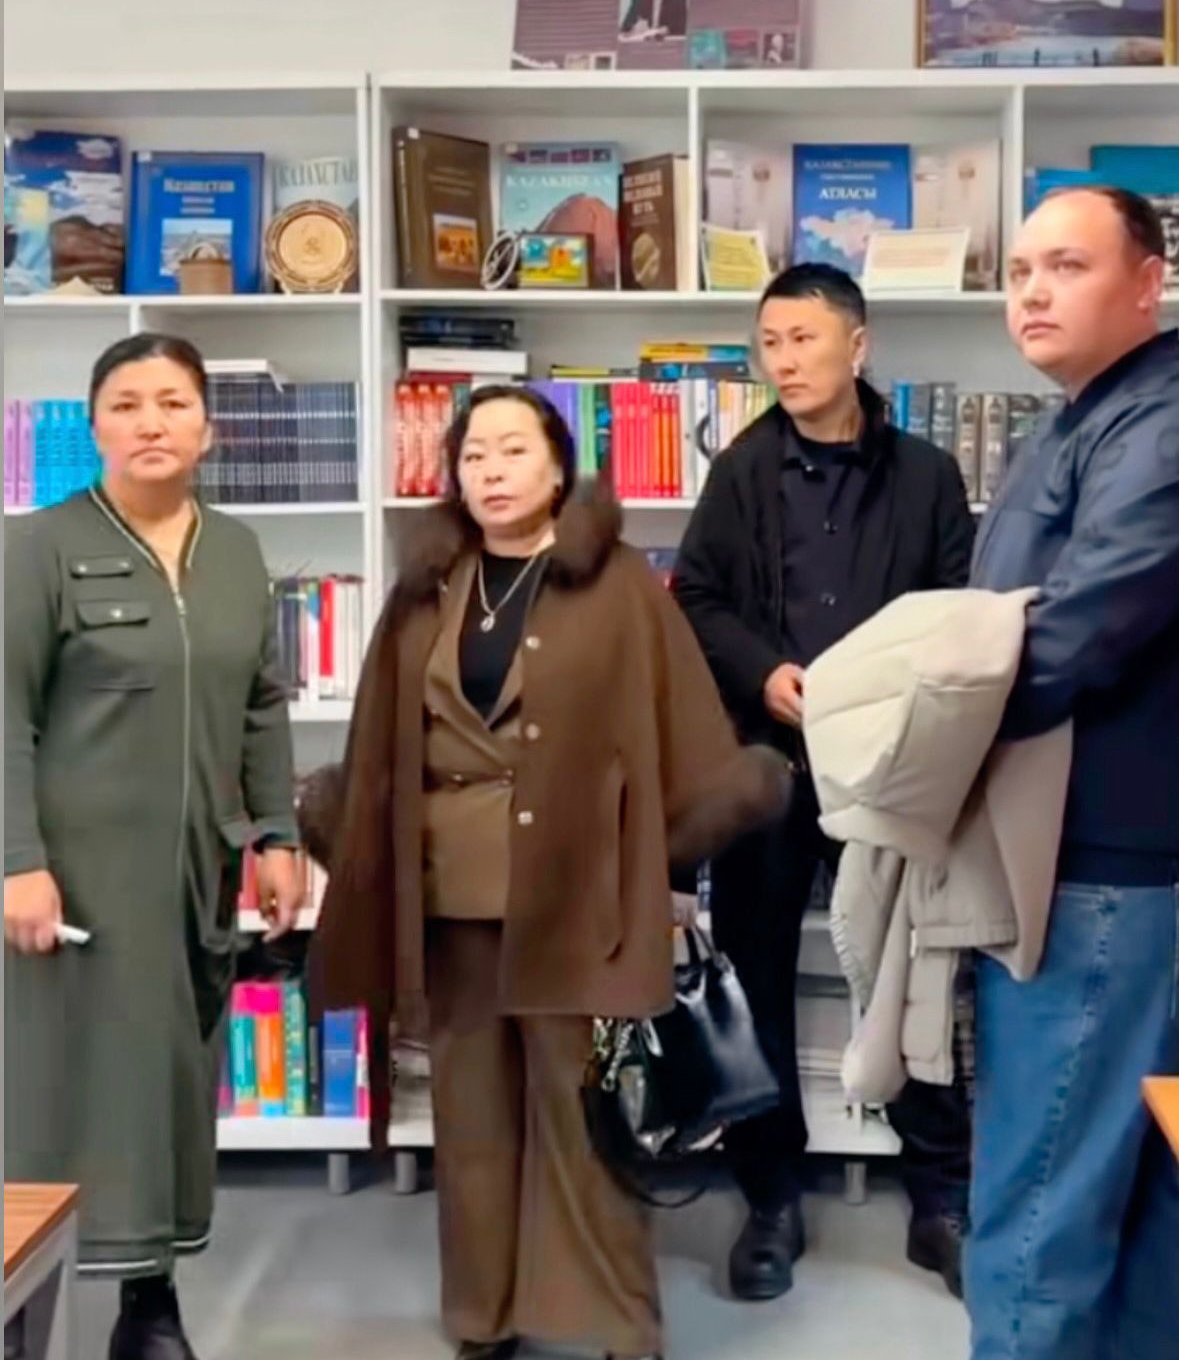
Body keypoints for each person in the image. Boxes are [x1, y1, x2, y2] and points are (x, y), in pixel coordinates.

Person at [300, 384, 789, 1360]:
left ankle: (618, 1325)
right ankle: (482, 1320)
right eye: (473, 455)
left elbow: (677, 729)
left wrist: (669, 863)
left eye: (513, 450)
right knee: (472, 1122)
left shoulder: (619, 587)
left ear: (558, 467)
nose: (491, 471)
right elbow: (379, 739)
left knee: (586, 1117)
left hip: (581, 895)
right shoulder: (425, 585)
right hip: (451, 899)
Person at [672, 262, 977, 1302]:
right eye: (769, 343)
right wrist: (764, 672)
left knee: (905, 968)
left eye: (803, 339)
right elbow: (696, 596)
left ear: (858, 344)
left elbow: (957, 610)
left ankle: (940, 1198)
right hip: (768, 762)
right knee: (754, 976)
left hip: (891, 763)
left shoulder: (927, 475)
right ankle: (770, 1199)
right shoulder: (741, 470)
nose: (784, 361)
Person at [4, 333, 303, 1360]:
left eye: (173, 402)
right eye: (126, 404)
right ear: (94, 427)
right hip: (71, 880)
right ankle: (24, 1309)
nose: (150, 422)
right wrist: (16, 862)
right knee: (53, 1089)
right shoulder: (38, 548)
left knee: (169, 1086)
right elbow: (3, 716)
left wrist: (275, 833)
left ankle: (149, 1297)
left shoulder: (237, 553)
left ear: (208, 428)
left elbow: (262, 704)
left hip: (194, 875)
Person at [965, 186, 1179, 1360]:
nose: (1034, 292)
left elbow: (1077, 633)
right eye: (1019, 272)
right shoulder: (1085, 418)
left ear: (1148, 283)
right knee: (1133, 1200)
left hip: (1104, 876)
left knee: (1042, 1208)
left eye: (1067, 266)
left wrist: (925, 728)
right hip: (1089, 861)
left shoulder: (1160, 425)